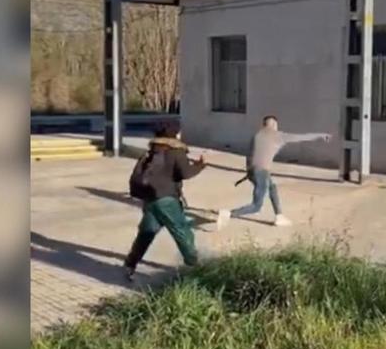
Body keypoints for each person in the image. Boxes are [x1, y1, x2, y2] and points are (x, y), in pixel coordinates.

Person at [123, 122, 205, 280]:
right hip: (166, 199)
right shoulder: (176, 151)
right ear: (174, 134)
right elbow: (185, 173)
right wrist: (199, 166)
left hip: (150, 199)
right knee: (182, 231)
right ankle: (195, 266)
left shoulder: (152, 151)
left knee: (146, 233)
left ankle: (130, 264)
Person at [216, 115, 330, 229]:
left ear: (264, 124)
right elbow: (301, 137)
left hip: (253, 171)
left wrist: (250, 171)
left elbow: (250, 155)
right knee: (256, 206)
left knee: (272, 188)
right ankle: (229, 214)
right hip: (261, 172)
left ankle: (279, 217)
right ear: (275, 125)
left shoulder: (257, 135)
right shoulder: (278, 136)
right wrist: (320, 135)